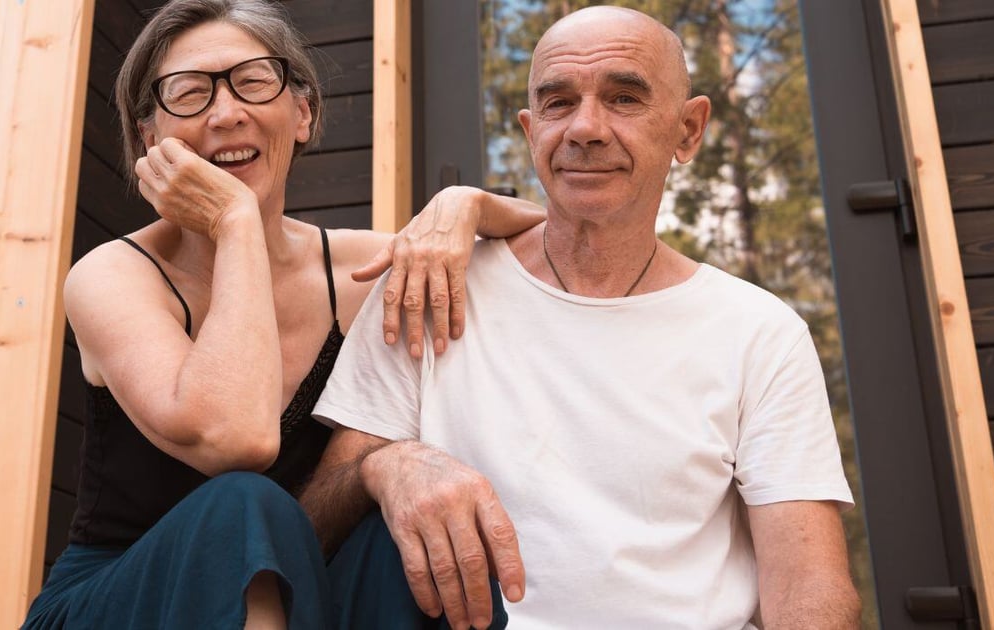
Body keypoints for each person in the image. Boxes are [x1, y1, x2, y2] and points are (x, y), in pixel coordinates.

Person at [305, 6, 862, 629]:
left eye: (625, 98)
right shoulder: (429, 286)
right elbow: (317, 525)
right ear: (529, 129)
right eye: (558, 102)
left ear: (688, 129)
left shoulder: (759, 331)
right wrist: (387, 464)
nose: (586, 128)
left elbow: (809, 585)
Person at [22, 0, 544, 628]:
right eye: (188, 93)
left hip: (297, 593)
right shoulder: (114, 276)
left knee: (417, 539)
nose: (225, 112)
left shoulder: (359, 269)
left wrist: (463, 205)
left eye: (253, 81)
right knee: (245, 503)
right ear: (150, 139)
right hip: (121, 598)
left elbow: (562, 247)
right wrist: (236, 223)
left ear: (302, 113)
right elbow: (237, 438)